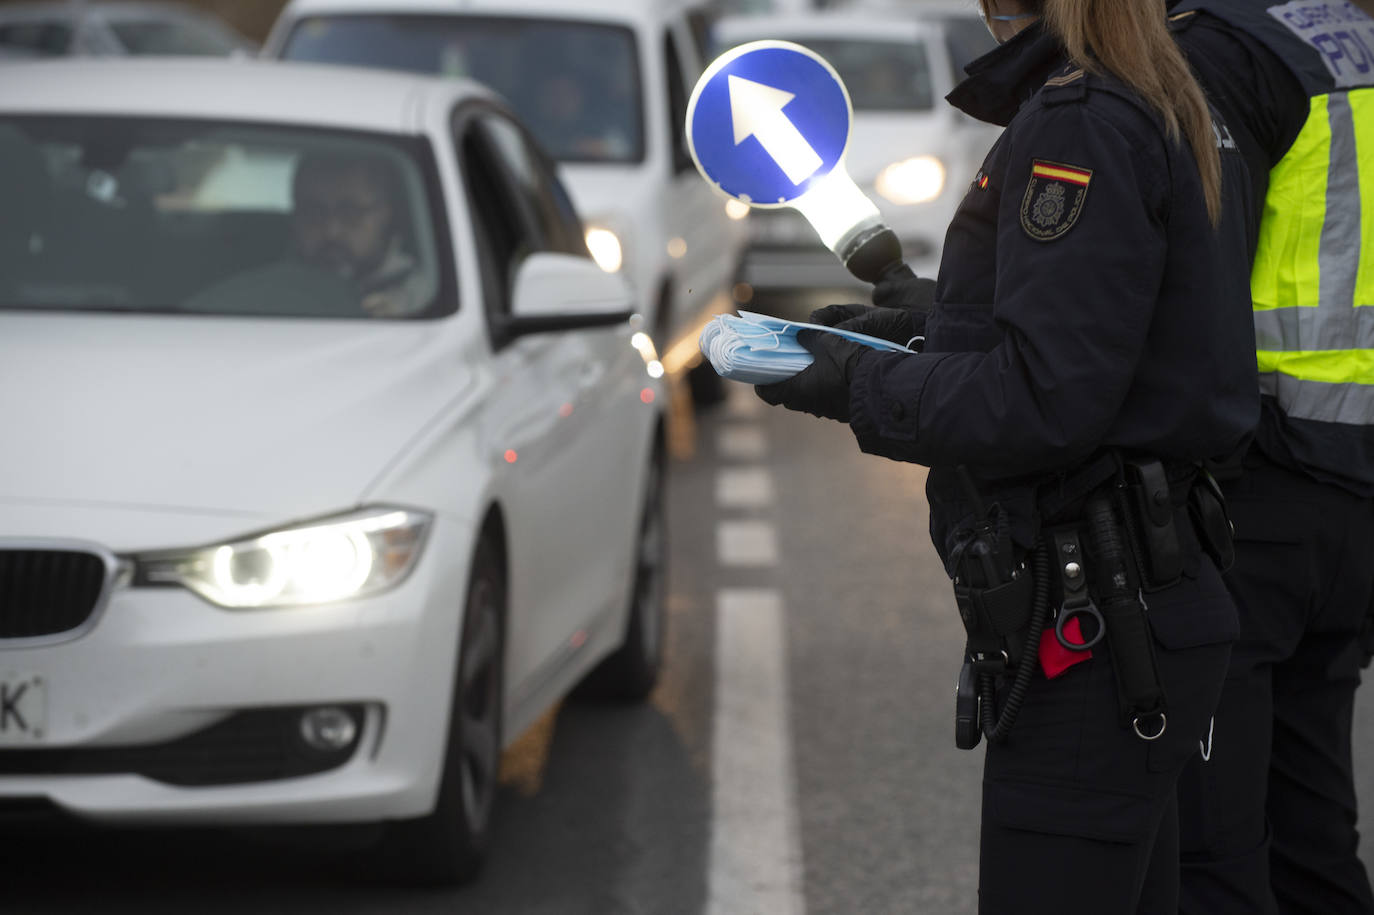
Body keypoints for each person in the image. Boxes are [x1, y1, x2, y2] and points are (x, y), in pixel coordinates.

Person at [754, 0, 1257, 910]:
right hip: (1134, 600)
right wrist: (887, 334)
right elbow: (1087, 336)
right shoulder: (1147, 97)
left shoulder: (1083, 120)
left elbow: (1043, 395)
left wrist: (850, 385)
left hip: (1100, 622)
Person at [1162, 2, 1374, 912]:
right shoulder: (1353, 44)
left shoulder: (1228, 52)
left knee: (1216, 845)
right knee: (1314, 822)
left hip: (1262, 482)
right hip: (1354, 490)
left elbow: (1180, 283)